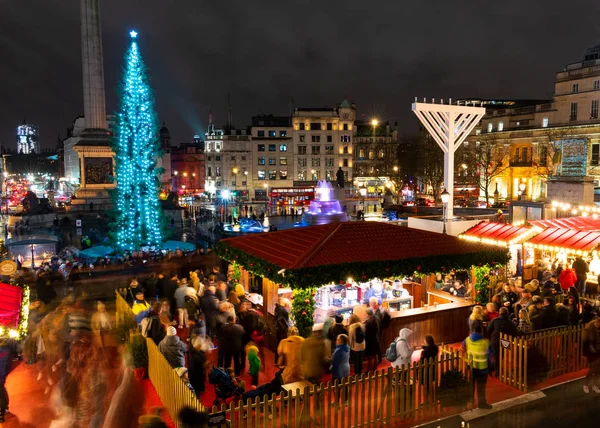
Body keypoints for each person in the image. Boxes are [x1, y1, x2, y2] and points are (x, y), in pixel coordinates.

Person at [461, 324, 493, 409]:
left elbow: (462, 348)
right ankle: (481, 404)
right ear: (481, 331)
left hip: (471, 367)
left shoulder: (467, 340)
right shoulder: (486, 342)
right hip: (483, 369)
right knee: (481, 388)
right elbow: (491, 355)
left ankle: (470, 403)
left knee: (471, 386)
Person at [0, 338, 20, 422]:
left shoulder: (4, 351)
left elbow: (4, 365)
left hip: (1, 374)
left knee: (1, 390)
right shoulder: (5, 351)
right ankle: (4, 409)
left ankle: (2, 411)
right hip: (1, 375)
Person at [330, 334, 350, 407]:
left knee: (336, 387)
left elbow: (333, 361)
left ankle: (337, 402)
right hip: (346, 369)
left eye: (338, 340)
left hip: (338, 371)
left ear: (341, 341)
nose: (336, 341)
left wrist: (330, 367)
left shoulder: (338, 350)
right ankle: (345, 401)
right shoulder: (347, 348)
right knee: (345, 385)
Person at [583, 317, 600, 393]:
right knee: (592, 369)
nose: (597, 324)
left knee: (598, 370)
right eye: (596, 322)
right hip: (591, 353)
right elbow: (585, 343)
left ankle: (595, 385)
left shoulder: (599, 331)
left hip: (598, 351)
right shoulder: (589, 331)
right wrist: (585, 354)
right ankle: (586, 385)